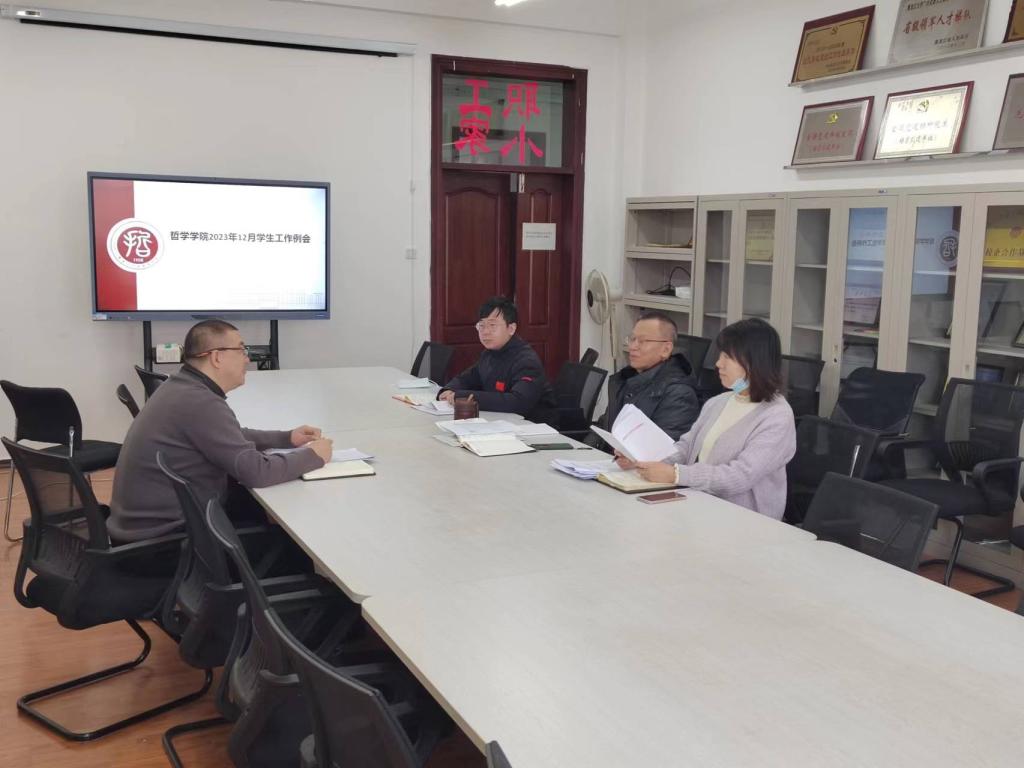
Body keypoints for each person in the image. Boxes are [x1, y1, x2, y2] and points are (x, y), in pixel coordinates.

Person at [108, 319, 333, 543]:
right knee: (295, 544)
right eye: (242, 350)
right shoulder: (200, 402)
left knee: (255, 506)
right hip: (168, 544)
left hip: (146, 529)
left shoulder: (182, 387)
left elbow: (230, 436)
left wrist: (286, 438)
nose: (247, 359)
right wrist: (313, 455)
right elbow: (257, 472)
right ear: (216, 357)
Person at [617, 318, 795, 520]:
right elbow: (685, 449)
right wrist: (641, 460)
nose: (718, 363)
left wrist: (676, 474)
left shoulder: (777, 416)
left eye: (727, 357)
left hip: (744, 521)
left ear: (753, 363)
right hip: (698, 506)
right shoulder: (719, 402)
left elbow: (740, 476)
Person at [438, 296, 557, 420]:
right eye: (481, 325)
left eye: (492, 325)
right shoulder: (489, 354)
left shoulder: (526, 361)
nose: (485, 332)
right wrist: (448, 390)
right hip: (501, 422)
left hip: (533, 426)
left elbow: (518, 402)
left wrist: (464, 396)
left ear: (511, 329)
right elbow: (467, 378)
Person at [593, 311, 698, 441]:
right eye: (632, 339)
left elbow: (664, 447)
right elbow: (604, 425)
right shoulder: (626, 378)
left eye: (642, 341)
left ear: (666, 349)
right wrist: (583, 449)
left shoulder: (679, 393)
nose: (633, 347)